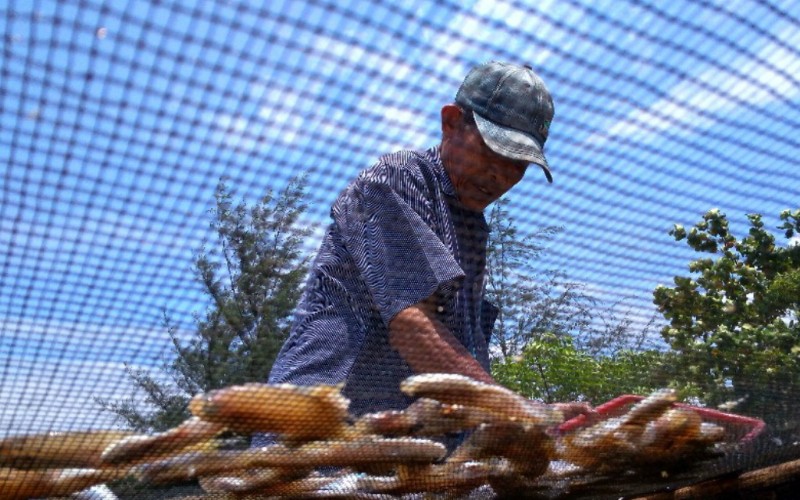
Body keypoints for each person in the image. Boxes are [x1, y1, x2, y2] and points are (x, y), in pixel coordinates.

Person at [268, 61, 555, 418]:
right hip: (320, 424)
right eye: (492, 150)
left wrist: (546, 415)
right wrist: (517, 411)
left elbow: (460, 355)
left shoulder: (470, 224)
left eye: (519, 164)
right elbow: (411, 326)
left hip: (401, 438)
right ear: (450, 122)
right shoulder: (398, 178)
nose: (501, 174)